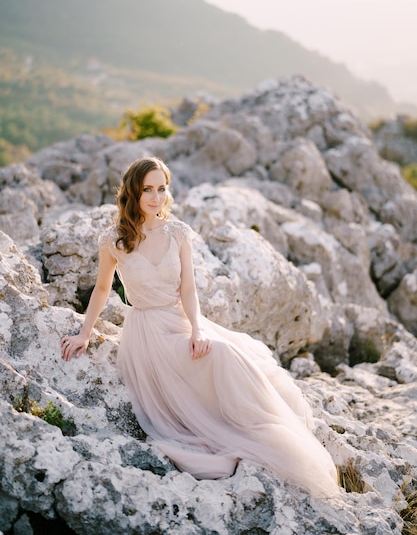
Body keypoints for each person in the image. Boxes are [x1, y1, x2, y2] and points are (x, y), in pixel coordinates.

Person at [61, 156, 340, 498]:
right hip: (147, 334)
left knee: (225, 353)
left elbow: (189, 289)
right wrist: (85, 333)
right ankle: (240, 432)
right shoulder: (114, 240)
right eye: (147, 189)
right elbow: (103, 289)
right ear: (133, 193)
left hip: (180, 320)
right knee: (219, 362)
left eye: (161, 188)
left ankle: (256, 425)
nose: (156, 197)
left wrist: (197, 329)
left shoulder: (177, 233)